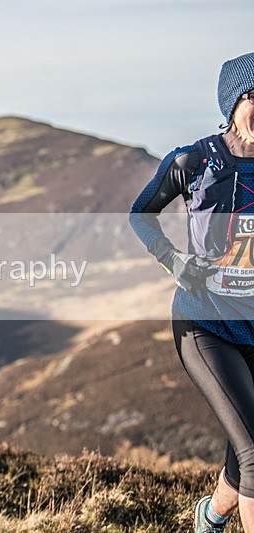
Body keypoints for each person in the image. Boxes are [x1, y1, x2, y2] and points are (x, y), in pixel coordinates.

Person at [129, 52, 254, 533]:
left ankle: (211, 518)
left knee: (245, 452)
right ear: (234, 101)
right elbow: (140, 214)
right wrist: (174, 260)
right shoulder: (194, 159)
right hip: (205, 322)